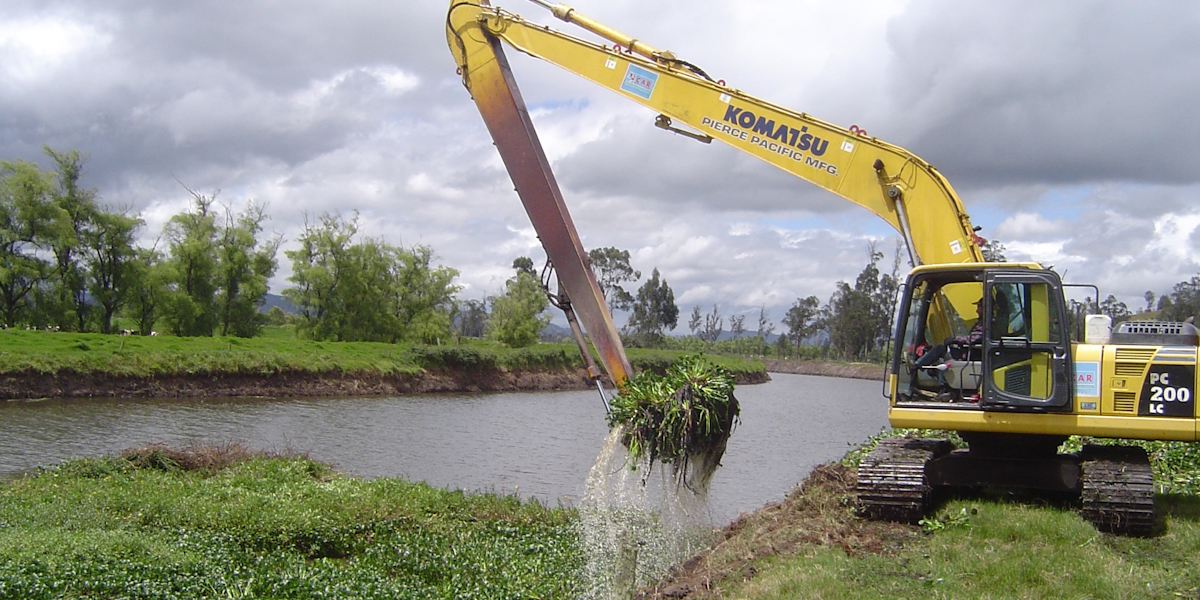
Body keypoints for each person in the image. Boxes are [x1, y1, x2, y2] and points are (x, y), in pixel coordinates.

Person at [909, 298, 985, 395]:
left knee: (941, 349)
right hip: (970, 352)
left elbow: (973, 339)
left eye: (979, 307)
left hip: (971, 355)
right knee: (938, 357)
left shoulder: (985, 324)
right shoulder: (982, 323)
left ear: (984, 308)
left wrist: (955, 339)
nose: (976, 310)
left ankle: (916, 366)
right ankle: (943, 387)